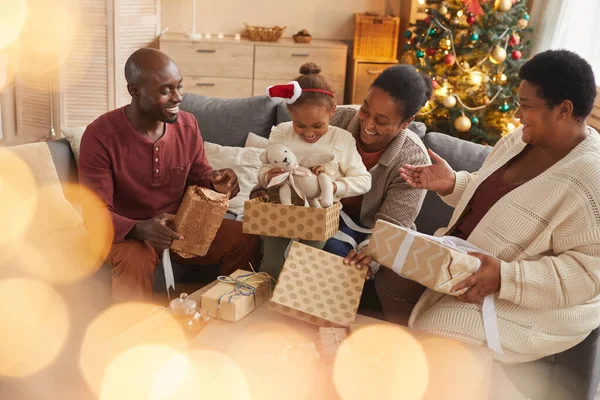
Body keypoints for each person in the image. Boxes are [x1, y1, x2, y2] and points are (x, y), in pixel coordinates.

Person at [380, 49, 600, 363]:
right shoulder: (519, 140)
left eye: (525, 106)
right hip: (463, 259)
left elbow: (588, 276)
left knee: (439, 328)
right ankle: (414, 368)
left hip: (535, 303)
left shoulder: (592, 177)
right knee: (390, 273)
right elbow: (494, 198)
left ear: (563, 109)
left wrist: (505, 277)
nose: (517, 115)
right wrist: (452, 183)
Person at [78, 47, 261, 302]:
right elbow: (95, 213)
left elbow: (200, 178)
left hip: (179, 226)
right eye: (165, 90)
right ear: (134, 91)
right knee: (136, 259)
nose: (178, 97)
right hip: (126, 233)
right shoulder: (100, 136)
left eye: (179, 87)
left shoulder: (188, 125)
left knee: (246, 235)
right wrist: (139, 229)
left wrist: (217, 182)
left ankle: (224, 313)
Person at [258, 63, 372, 280]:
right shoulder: (281, 133)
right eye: (300, 125)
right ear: (289, 112)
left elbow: (365, 181)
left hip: (319, 215)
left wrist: (335, 186)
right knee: (270, 265)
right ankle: (263, 307)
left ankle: (293, 307)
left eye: (318, 126)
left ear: (332, 111)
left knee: (304, 267)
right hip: (280, 211)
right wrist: (267, 177)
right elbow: (264, 168)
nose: (309, 133)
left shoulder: (341, 139)